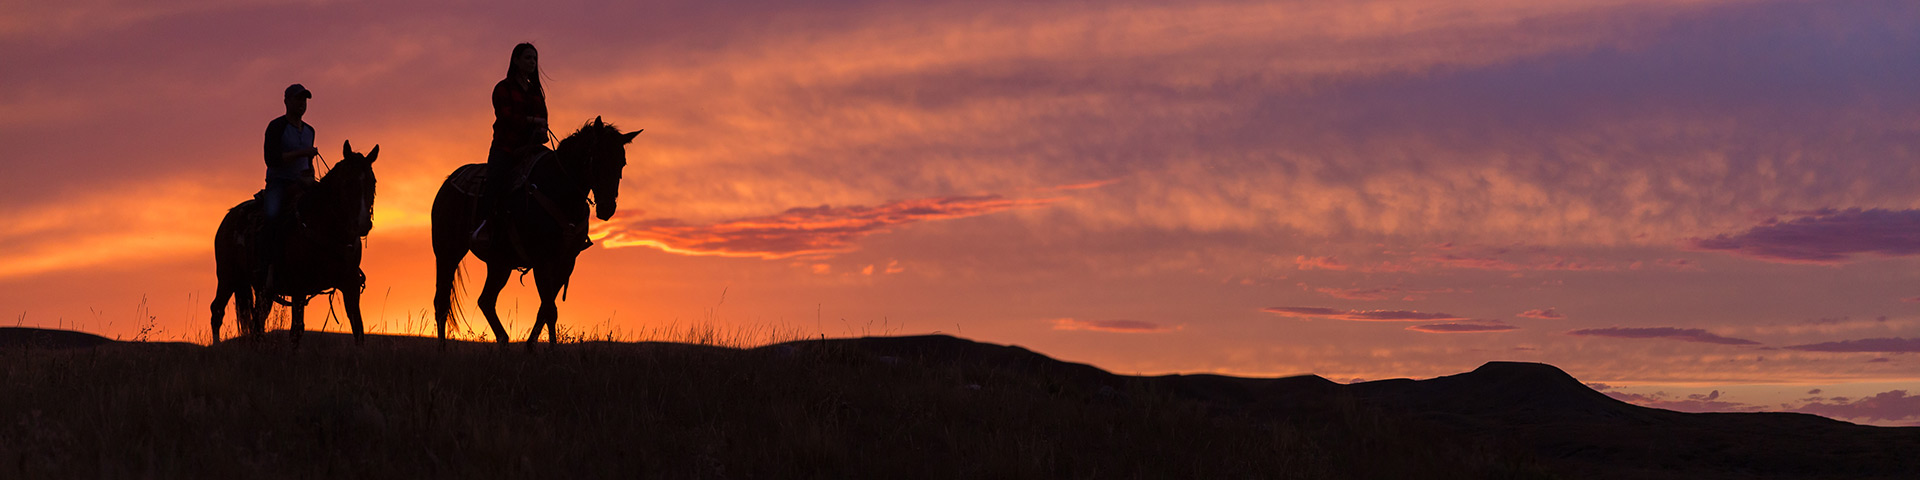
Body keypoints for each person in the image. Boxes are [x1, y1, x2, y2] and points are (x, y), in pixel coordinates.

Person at [476, 42, 550, 230]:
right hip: (506, 147)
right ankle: (485, 224)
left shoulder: (536, 93)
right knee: (495, 180)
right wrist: (533, 121)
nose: (532, 62)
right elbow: (506, 117)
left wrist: (540, 131)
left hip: (532, 148)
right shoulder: (503, 88)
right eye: (527, 58)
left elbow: (544, 119)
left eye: (534, 58)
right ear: (516, 60)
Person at [258, 84, 319, 285]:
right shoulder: (276, 127)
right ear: (286, 101)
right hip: (279, 183)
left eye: (304, 100)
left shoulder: (310, 130)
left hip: (303, 182)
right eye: (298, 99)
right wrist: (303, 153)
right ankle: (267, 267)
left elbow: (308, 164)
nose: (302, 104)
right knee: (272, 215)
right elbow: (272, 159)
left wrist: (310, 174)